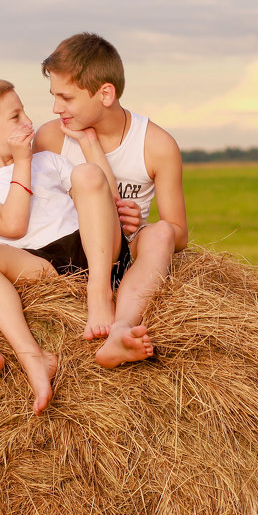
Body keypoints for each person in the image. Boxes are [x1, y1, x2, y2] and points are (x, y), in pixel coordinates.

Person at [0, 79, 125, 414]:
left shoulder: (50, 160)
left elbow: (104, 192)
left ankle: (99, 293)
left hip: (93, 249)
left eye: (24, 112)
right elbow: (13, 226)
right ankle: (32, 356)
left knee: (88, 174)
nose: (29, 121)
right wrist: (22, 163)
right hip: (40, 266)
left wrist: (89, 145)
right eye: (16, 117)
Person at [33, 32, 188, 368]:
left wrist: (142, 225)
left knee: (160, 233)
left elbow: (180, 233)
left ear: (105, 93)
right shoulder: (49, 138)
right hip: (69, 260)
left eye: (67, 98)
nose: (56, 108)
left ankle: (121, 329)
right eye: (53, 96)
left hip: (127, 259)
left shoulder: (156, 145)